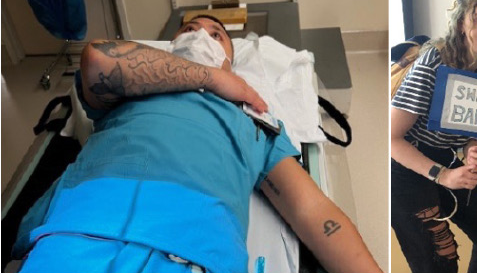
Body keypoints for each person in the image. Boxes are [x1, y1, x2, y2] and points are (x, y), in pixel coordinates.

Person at [16, 15, 380, 272]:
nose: (199, 36)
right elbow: (98, 58)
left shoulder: (256, 119)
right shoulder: (130, 89)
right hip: (74, 239)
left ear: (232, 60)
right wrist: (210, 78)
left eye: (215, 34)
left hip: (193, 256)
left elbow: (314, 214)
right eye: (188, 30)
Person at [390, 0, 477, 273]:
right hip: (404, 168)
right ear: (461, 25)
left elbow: (467, 128)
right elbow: (391, 139)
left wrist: (472, 148)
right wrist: (442, 175)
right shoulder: (435, 62)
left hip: (442, 157)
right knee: (440, 264)